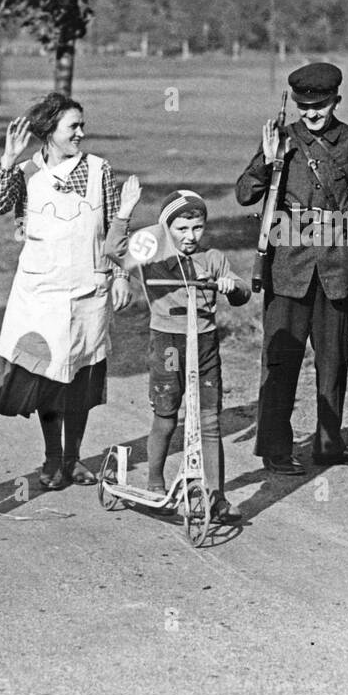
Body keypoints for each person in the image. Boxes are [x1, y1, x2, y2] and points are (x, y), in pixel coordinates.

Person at [235, 61, 348, 474]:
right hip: (288, 265)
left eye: (319, 106)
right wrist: (267, 162)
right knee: (281, 359)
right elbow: (244, 194)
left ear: (336, 100)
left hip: (337, 267)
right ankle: (275, 449)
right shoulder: (282, 139)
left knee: (333, 361)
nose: (312, 114)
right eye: (304, 107)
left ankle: (329, 444)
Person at [0, 92, 131, 490]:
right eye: (73, 127)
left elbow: (116, 226)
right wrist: (8, 159)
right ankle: (51, 460)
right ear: (48, 131)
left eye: (82, 125)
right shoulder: (27, 171)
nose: (81, 133)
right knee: (48, 377)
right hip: (40, 293)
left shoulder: (99, 170)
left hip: (87, 291)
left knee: (79, 378)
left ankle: (74, 459)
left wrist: (121, 275)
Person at [106, 180, 251, 523]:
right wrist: (125, 212)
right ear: (166, 228)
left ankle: (215, 495)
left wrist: (232, 287)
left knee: (210, 420)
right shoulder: (152, 251)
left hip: (204, 344)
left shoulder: (212, 258)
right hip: (168, 342)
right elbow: (114, 249)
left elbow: (243, 290)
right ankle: (154, 482)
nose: (190, 235)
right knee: (166, 415)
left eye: (197, 227)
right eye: (181, 228)